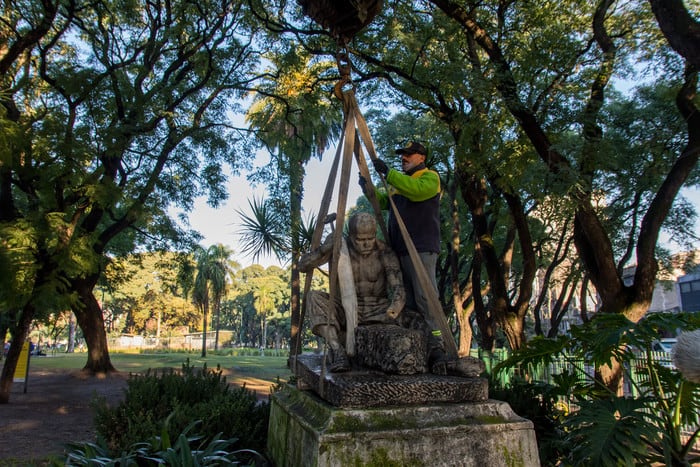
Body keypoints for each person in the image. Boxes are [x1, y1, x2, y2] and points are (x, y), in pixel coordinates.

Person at [361, 141, 447, 371]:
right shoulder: (400, 185)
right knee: (408, 302)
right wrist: (368, 188)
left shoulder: (430, 178)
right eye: (402, 155)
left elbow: (416, 192)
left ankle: (438, 345)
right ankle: (419, 348)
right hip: (401, 251)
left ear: (422, 157)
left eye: (409, 155)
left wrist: (388, 174)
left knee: (426, 298)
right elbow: (381, 202)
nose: (404, 158)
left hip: (421, 249)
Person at [299, 212, 406, 372]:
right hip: (343, 310)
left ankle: (438, 356)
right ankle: (337, 349)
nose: (366, 244)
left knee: (416, 320)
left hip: (377, 310)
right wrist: (324, 250)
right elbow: (302, 266)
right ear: (351, 236)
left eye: (370, 239)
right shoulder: (340, 246)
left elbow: (398, 286)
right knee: (313, 297)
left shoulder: (384, 252)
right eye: (360, 240)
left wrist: (395, 306)